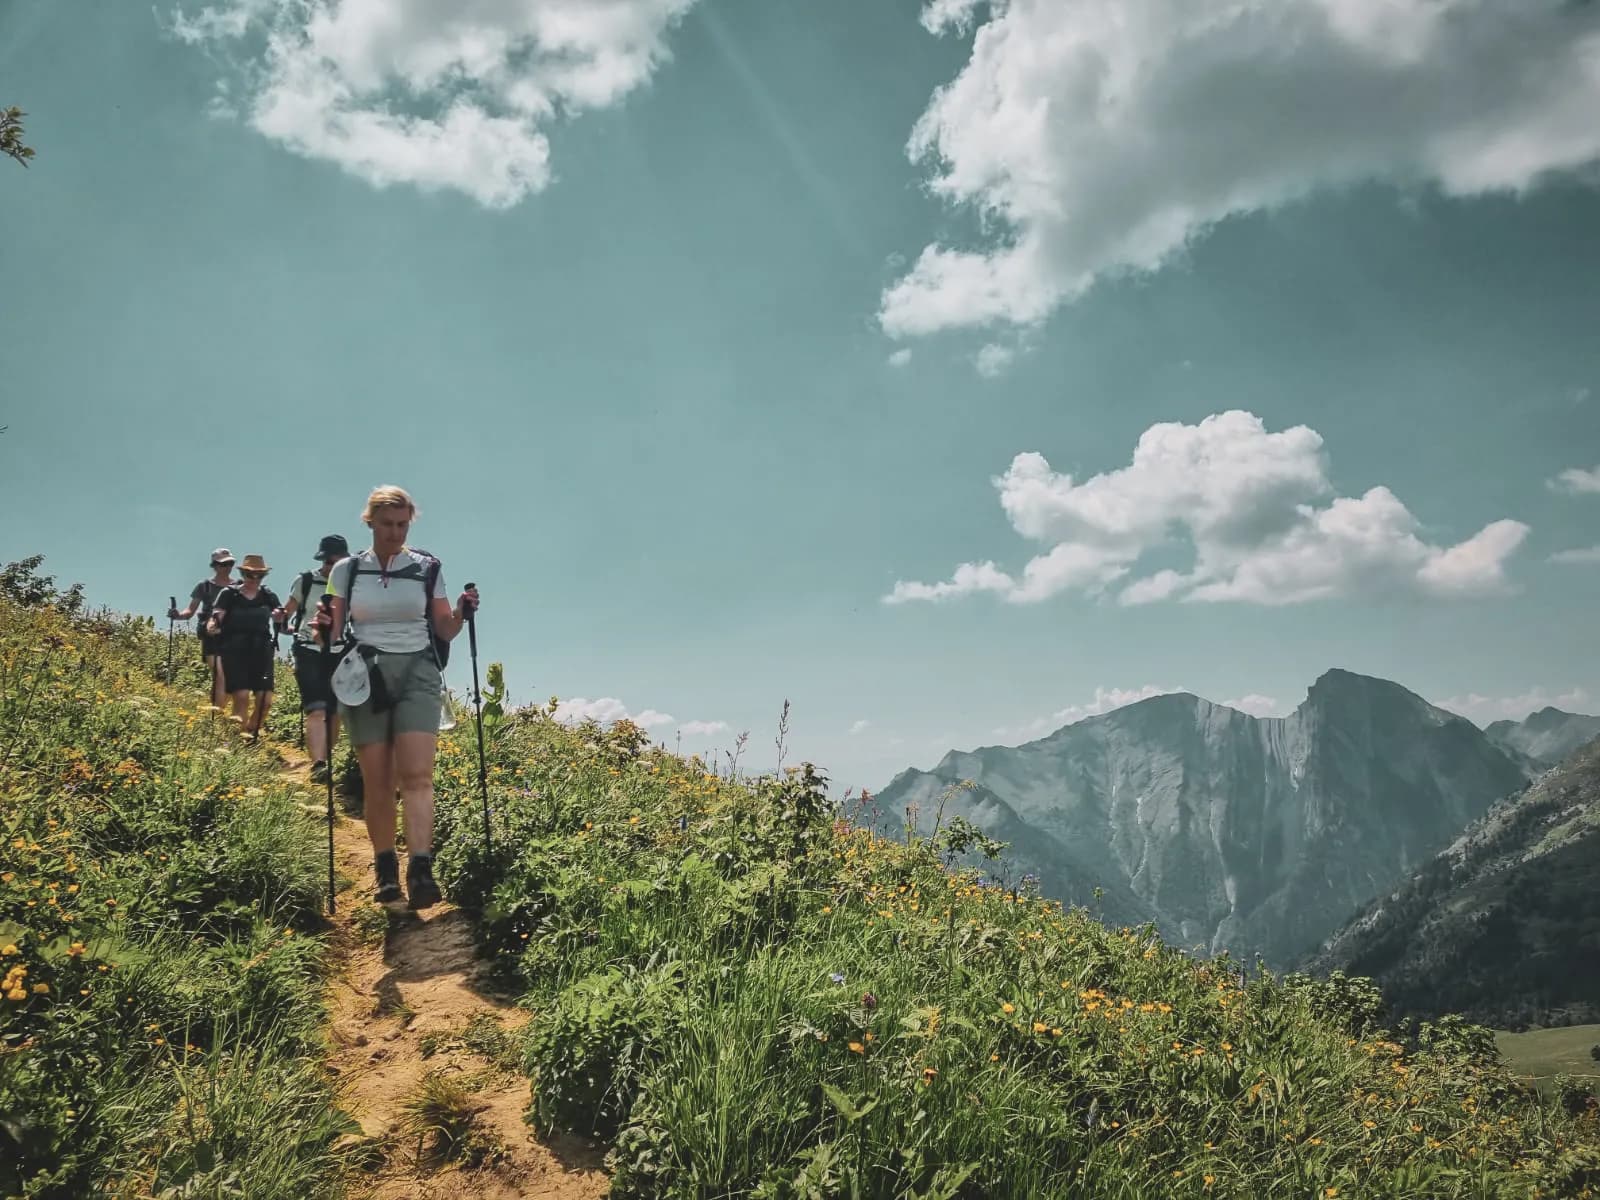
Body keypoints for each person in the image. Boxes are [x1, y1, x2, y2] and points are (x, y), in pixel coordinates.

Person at [315, 486, 478, 910]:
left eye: (402, 524)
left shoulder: (426, 567)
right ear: (370, 523)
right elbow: (332, 633)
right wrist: (323, 627)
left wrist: (462, 611)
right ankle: (385, 871)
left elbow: (443, 628)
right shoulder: (347, 571)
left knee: (418, 775)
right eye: (387, 524)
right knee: (380, 781)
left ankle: (421, 869)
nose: (395, 532)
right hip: (365, 675)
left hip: (419, 671)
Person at [279, 534, 349, 784]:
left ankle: (325, 760)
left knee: (335, 711)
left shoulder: (349, 587)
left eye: (339, 562)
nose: (333, 567)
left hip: (339, 651)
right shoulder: (306, 581)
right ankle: (319, 764)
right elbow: (288, 609)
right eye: (329, 561)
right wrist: (280, 618)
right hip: (307, 648)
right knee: (316, 709)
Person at [206, 554, 282, 743]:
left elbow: (282, 621)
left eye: (259, 576)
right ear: (243, 574)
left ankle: (251, 731)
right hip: (234, 650)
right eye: (250, 575)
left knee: (265, 700)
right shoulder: (229, 594)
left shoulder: (268, 596)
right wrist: (212, 627)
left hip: (262, 651)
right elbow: (216, 617)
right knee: (241, 697)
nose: (254, 580)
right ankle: (239, 742)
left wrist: (283, 620)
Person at [169, 548, 237, 709]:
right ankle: (217, 714)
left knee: (227, 676)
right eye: (223, 564)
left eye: (230, 563)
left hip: (233, 637)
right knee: (221, 674)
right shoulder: (204, 586)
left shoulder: (239, 586)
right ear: (214, 566)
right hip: (210, 635)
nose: (227, 567)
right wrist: (177, 615)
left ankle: (216, 713)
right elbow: (190, 611)